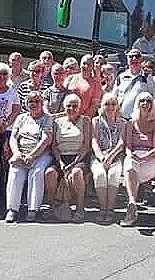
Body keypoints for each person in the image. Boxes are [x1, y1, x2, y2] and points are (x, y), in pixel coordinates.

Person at [4, 91, 53, 223]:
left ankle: (33, 209)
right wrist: (17, 153)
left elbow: (46, 139)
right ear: (26, 104)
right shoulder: (21, 118)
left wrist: (32, 156)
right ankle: (12, 210)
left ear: (42, 103)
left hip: (41, 154)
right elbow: (13, 137)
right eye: (31, 101)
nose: (34, 104)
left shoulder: (47, 118)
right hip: (21, 153)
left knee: (36, 173)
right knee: (15, 171)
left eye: (37, 101)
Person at [46, 94, 91, 222]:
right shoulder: (57, 122)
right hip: (60, 157)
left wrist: (74, 163)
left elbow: (86, 146)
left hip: (79, 158)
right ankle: (52, 206)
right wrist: (60, 162)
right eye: (68, 106)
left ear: (80, 107)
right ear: (64, 107)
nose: (71, 108)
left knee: (77, 172)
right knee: (50, 173)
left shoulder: (86, 121)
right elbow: (54, 146)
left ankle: (80, 208)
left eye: (75, 106)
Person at [120, 92, 155, 227]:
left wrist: (143, 157)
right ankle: (132, 203)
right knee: (129, 164)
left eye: (148, 101)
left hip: (150, 158)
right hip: (134, 156)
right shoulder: (131, 122)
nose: (145, 103)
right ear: (137, 103)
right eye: (142, 101)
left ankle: (131, 210)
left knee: (132, 173)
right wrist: (131, 154)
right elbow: (127, 146)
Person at [90, 93, 126, 223]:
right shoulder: (96, 121)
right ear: (102, 106)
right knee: (100, 174)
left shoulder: (123, 122)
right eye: (107, 104)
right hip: (99, 156)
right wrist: (101, 157)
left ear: (117, 106)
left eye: (113, 104)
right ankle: (102, 208)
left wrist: (110, 157)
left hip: (115, 156)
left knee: (113, 175)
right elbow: (93, 140)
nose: (110, 107)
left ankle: (110, 209)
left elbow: (122, 143)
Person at [0, 63, 20, 195]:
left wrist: (5, 124)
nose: (1, 77)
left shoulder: (13, 91)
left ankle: (7, 186)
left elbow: (16, 110)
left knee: (6, 156)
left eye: (4, 74)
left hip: (7, 129)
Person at [113, 48, 155, 120]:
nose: (134, 58)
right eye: (131, 56)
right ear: (127, 60)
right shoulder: (120, 77)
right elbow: (114, 96)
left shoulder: (147, 77)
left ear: (141, 59)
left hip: (139, 120)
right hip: (120, 118)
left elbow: (153, 98)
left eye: (137, 56)